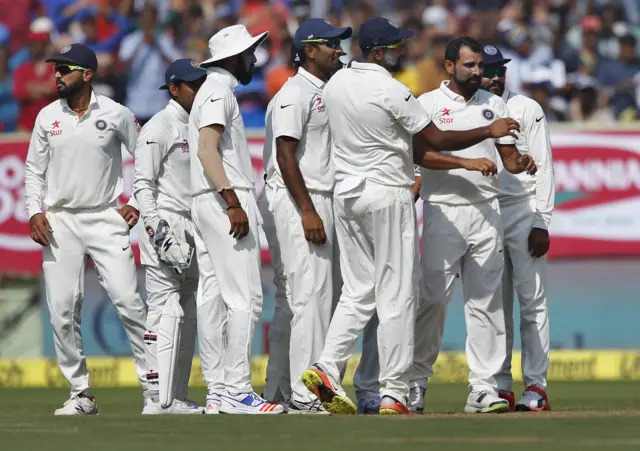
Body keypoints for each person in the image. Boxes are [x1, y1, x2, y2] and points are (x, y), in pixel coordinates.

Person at [301, 18, 521, 415]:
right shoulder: (391, 89)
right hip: (386, 192)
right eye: (396, 47)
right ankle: (395, 392)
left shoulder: (334, 84)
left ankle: (326, 367)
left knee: (358, 289)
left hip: (346, 194)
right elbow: (432, 141)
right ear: (379, 51)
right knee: (398, 293)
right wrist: (489, 131)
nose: (402, 52)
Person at [409, 37, 536, 414]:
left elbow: (508, 158)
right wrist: (466, 163)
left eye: (480, 65)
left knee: (486, 304)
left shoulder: (493, 104)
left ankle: (483, 388)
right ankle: (415, 383)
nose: (478, 72)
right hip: (444, 211)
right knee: (433, 300)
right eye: (470, 65)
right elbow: (423, 155)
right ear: (450, 66)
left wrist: (522, 163)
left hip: (486, 211)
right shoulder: (427, 104)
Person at [24, 43, 148, 415]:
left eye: (65, 69)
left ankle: (155, 388)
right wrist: (34, 211)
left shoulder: (116, 113)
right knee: (62, 309)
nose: (57, 75)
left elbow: (146, 157)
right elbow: (33, 171)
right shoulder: (47, 117)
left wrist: (137, 203)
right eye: (56, 69)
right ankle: (81, 394)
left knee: (129, 303)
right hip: (60, 220)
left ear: (88, 74)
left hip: (105, 216)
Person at [189, 24, 284, 415]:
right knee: (246, 298)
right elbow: (206, 148)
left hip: (208, 199)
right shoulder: (217, 91)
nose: (254, 60)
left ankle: (217, 390)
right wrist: (231, 199)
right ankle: (237, 390)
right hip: (223, 197)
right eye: (249, 54)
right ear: (232, 58)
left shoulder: (213, 90)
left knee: (214, 296)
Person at [267, 18, 352, 414]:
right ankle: (305, 395)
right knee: (310, 296)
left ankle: (288, 390)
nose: (339, 49)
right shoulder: (294, 91)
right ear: (310, 50)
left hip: (326, 197)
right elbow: (285, 155)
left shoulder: (329, 89)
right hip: (302, 198)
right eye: (332, 43)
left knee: (327, 297)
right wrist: (307, 211)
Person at [481, 44, 554, 412]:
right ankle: (500, 385)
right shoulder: (471, 109)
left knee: (531, 300)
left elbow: (543, 166)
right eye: (488, 69)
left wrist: (541, 221)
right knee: (494, 307)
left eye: (500, 69)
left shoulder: (526, 108)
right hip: (486, 213)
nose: (495, 76)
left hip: (523, 211)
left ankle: (536, 386)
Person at [132, 59, 207, 415]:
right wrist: (158, 231)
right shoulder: (158, 126)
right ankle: (154, 399)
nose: (200, 89)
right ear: (174, 89)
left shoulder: (198, 125)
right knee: (162, 311)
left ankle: (174, 396)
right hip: (166, 224)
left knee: (188, 312)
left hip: (193, 225)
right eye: (193, 84)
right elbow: (142, 185)